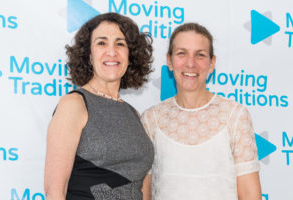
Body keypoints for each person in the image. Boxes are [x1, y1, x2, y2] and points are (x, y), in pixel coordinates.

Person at [141, 23, 261, 200]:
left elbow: (250, 194)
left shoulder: (235, 116)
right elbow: (144, 192)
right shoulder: (151, 119)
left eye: (200, 55)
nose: (191, 63)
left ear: (212, 63)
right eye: (182, 53)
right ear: (169, 61)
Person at [44, 12, 154, 200]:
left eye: (120, 43)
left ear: (131, 55)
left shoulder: (133, 113)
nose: (112, 51)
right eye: (101, 43)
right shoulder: (75, 104)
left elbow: (143, 186)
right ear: (88, 55)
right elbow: (55, 190)